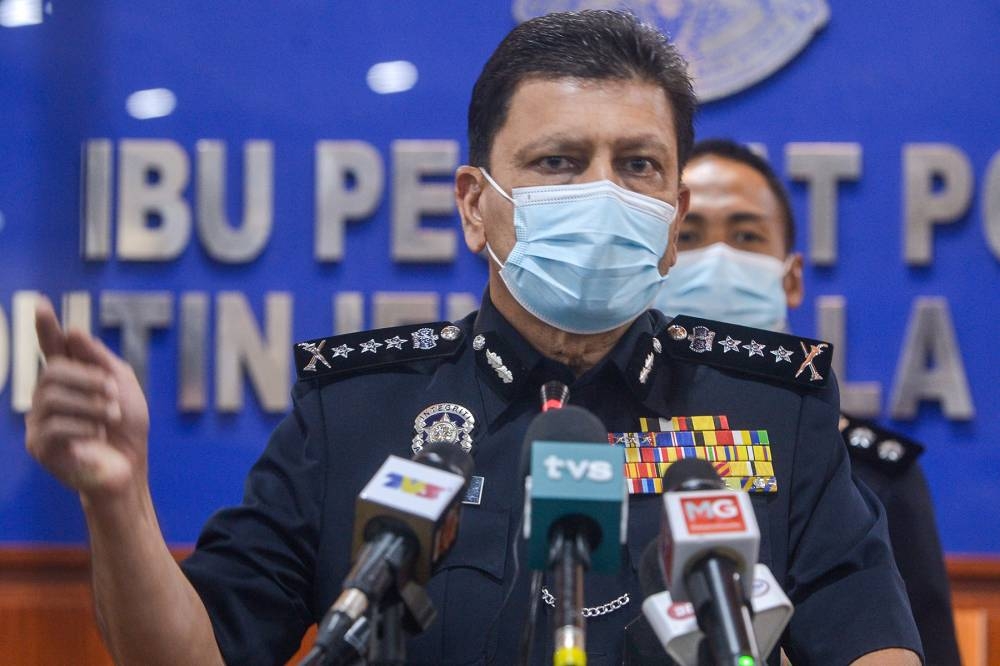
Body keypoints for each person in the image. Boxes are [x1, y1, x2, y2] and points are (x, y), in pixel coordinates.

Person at [25, 11, 922, 666]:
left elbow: (874, 645)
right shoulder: (359, 411)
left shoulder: (774, 407)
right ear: (473, 204)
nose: (603, 193)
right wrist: (119, 501)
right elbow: (195, 656)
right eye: (559, 163)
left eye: (638, 165)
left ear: (674, 212)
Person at [656, 137, 960, 664]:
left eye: (746, 235)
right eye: (690, 236)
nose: (718, 260)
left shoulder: (872, 469)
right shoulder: (607, 439)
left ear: (792, 278)